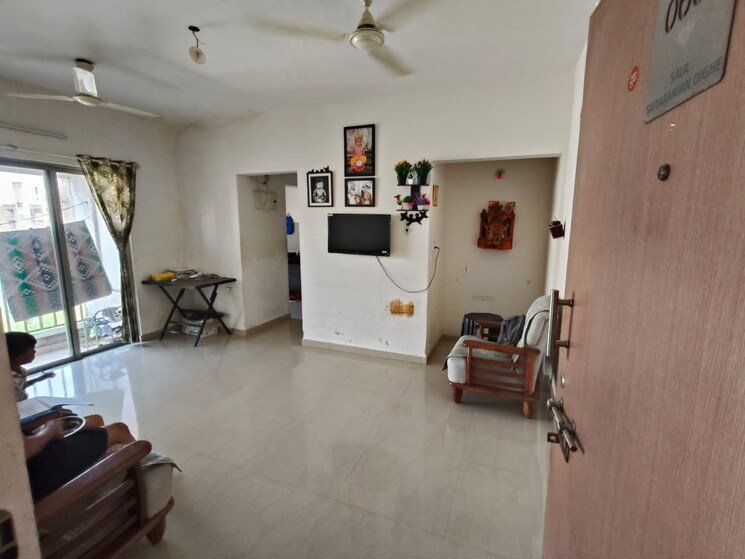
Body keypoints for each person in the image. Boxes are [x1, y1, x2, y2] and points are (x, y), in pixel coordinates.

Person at [6, 332, 54, 401]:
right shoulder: (7, 380)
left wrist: (40, 378)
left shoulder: (21, 370)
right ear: (19, 356)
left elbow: (21, 387)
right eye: (32, 349)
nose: (34, 351)